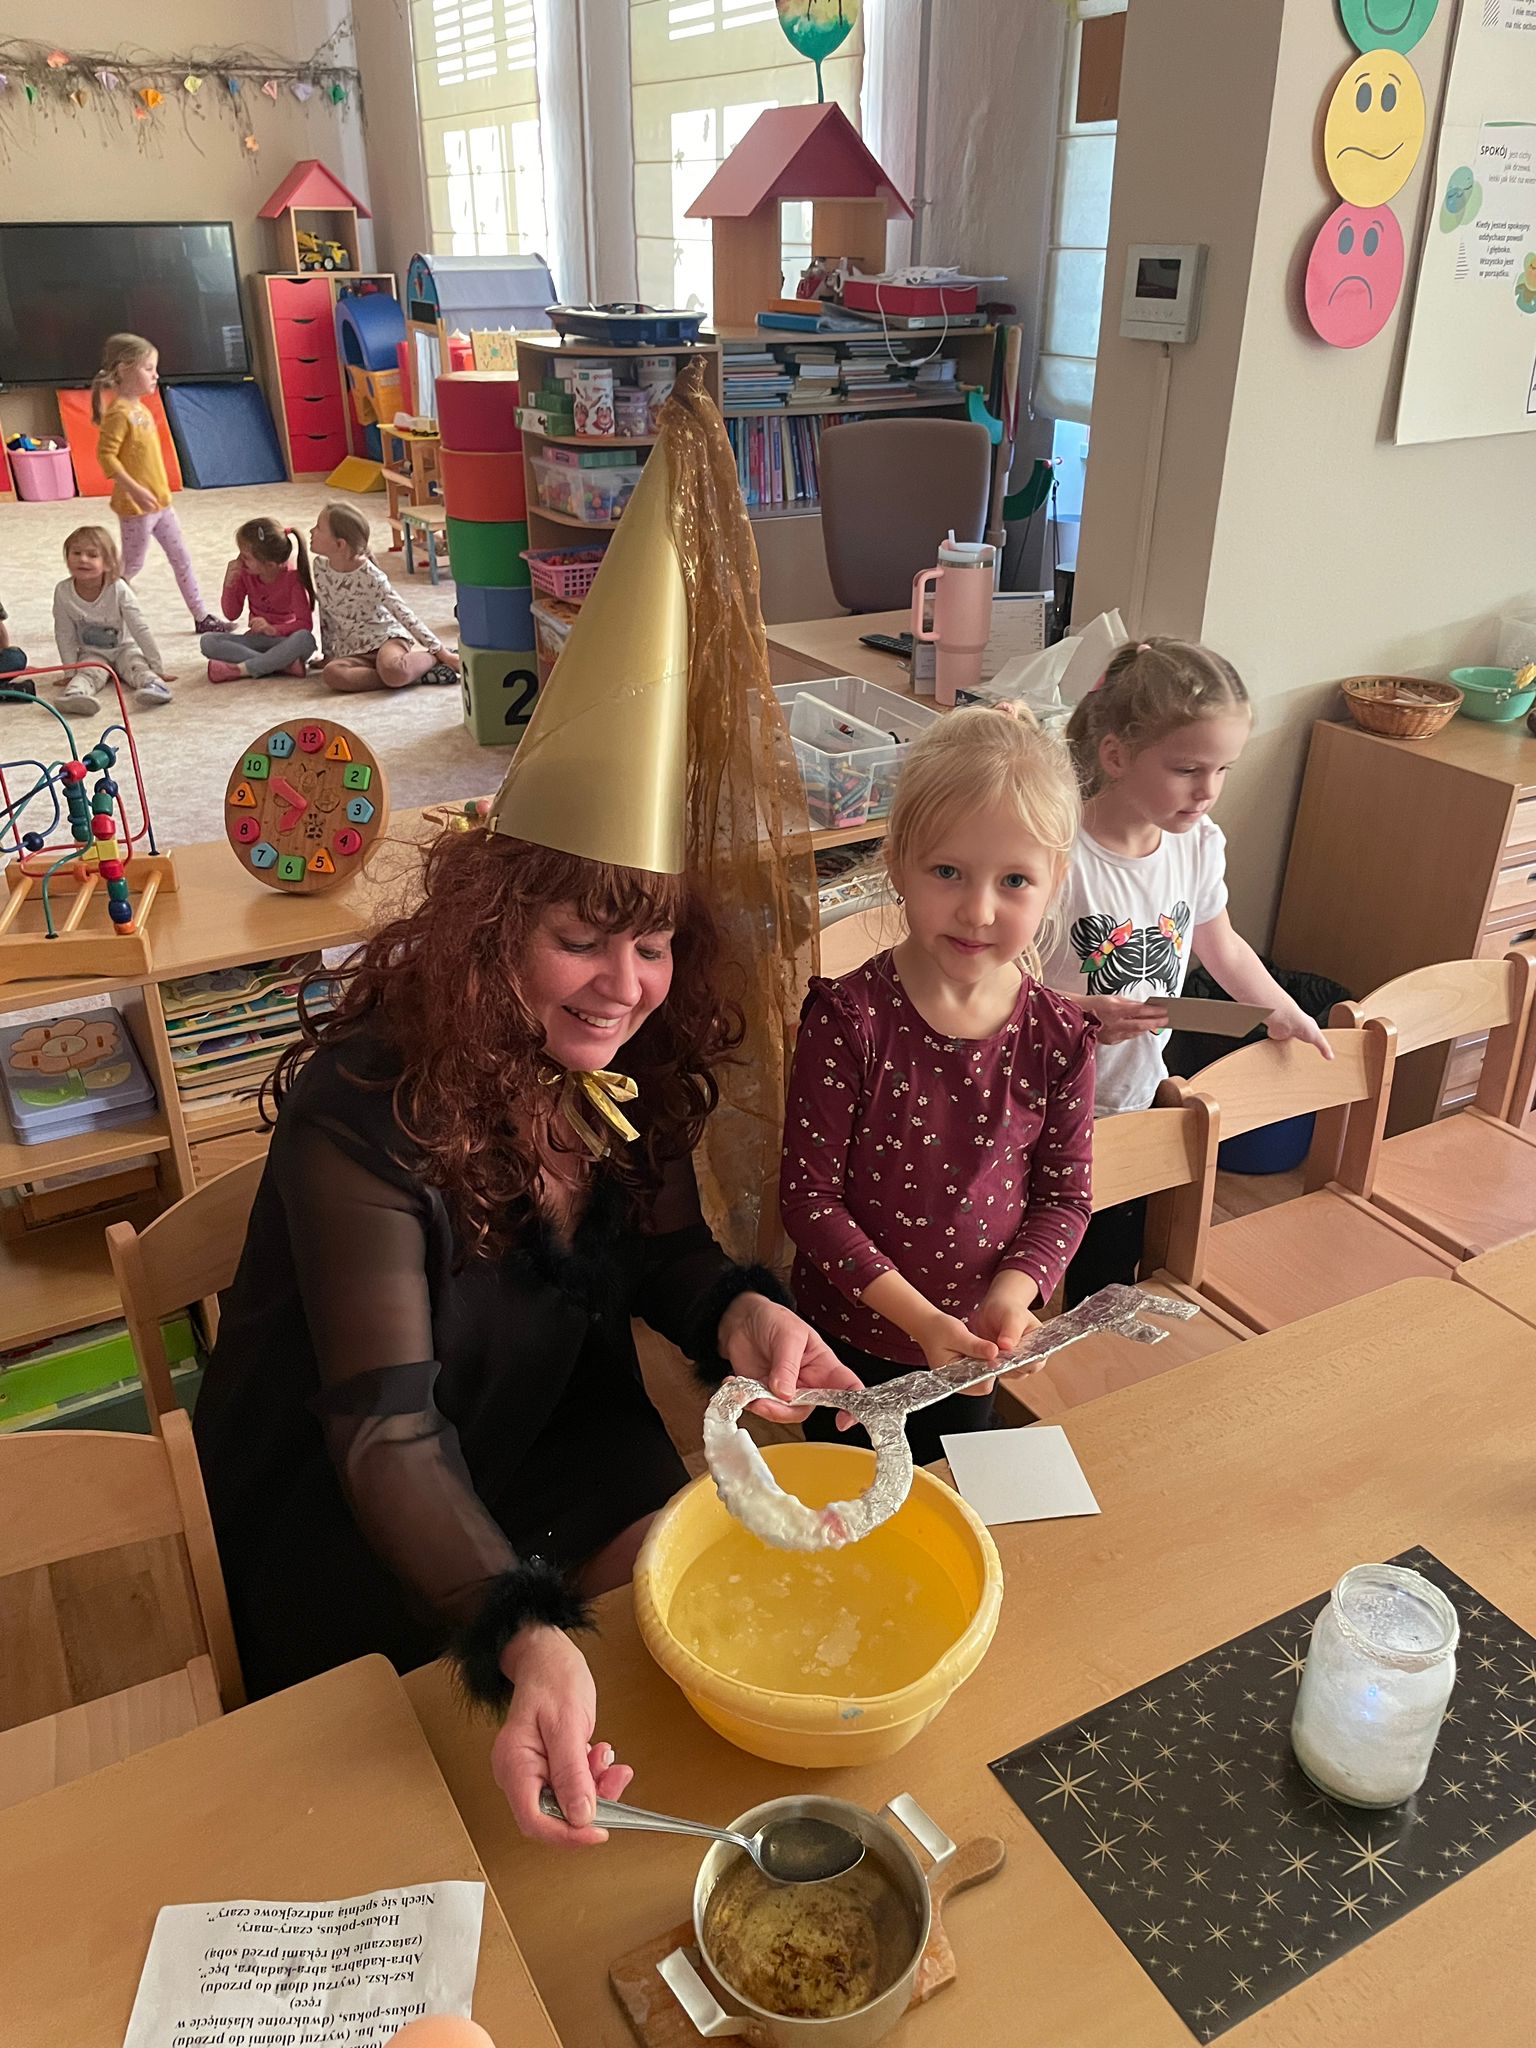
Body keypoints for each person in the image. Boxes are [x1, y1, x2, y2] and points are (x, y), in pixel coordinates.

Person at [196, 361, 838, 1852]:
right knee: (432, 1810)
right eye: (581, 940)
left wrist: (737, 1311)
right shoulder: (364, 1113)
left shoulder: (634, 1065)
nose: (626, 985)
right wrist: (516, 1619)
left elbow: (665, 1253)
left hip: (552, 1437)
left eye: (655, 942)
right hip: (359, 1506)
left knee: (701, 1677)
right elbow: (383, 1431)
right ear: (492, 928)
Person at [780, 707, 1098, 1466]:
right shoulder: (849, 1021)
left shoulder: (1059, 1036)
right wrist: (919, 1320)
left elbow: (1064, 1198)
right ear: (897, 864)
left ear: (1054, 883)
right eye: (947, 871)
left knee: (947, 1493)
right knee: (845, 1505)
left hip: (975, 1350)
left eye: (1014, 880)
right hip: (846, 1340)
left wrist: (1012, 1298)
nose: (978, 910)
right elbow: (809, 1199)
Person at [1041, 637, 1331, 1301]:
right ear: (1116, 755)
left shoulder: (1196, 845)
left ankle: (1091, 1358)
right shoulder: (1057, 853)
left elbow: (1220, 944)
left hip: (1135, 1093)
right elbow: (1001, 987)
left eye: (1223, 769)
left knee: (1107, 1269)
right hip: (1038, 1102)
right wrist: (1081, 1013)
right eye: (1188, 769)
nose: (1208, 791)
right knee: (1021, 1266)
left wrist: (1283, 1010)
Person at [91, 333, 222, 634]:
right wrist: (134, 489)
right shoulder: (119, 413)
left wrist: (154, 492)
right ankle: (99, 614)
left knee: (182, 559)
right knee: (130, 567)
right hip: (136, 508)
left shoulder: (141, 409)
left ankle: (201, 616)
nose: (156, 375)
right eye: (148, 368)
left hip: (161, 504)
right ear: (124, 369)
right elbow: (106, 456)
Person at [309, 501, 460, 691]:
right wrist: (328, 654)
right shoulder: (320, 567)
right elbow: (326, 613)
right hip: (353, 650)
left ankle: (431, 661)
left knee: (392, 669)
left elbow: (404, 614)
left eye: (318, 528)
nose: (311, 531)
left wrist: (442, 653)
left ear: (340, 544)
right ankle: (410, 676)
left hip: (386, 640)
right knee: (332, 674)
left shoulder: (371, 576)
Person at [51, 525, 173, 712]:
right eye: (76, 553)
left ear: (108, 563)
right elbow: (64, 633)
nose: (83, 559)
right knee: (87, 674)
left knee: (137, 667)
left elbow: (139, 627)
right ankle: (75, 695)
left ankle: (155, 686)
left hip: (125, 648)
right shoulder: (63, 591)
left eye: (92, 555)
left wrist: (157, 668)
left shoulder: (118, 588)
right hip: (92, 653)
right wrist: (69, 671)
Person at [201, 516, 317, 681]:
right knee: (208, 641)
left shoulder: (293, 579)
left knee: (305, 639)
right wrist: (229, 583)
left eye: (246, 557)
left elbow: (305, 624)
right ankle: (281, 665)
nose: (240, 560)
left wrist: (273, 629)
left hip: (284, 641)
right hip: (256, 640)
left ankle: (242, 669)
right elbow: (231, 614)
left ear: (269, 565)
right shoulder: (246, 573)